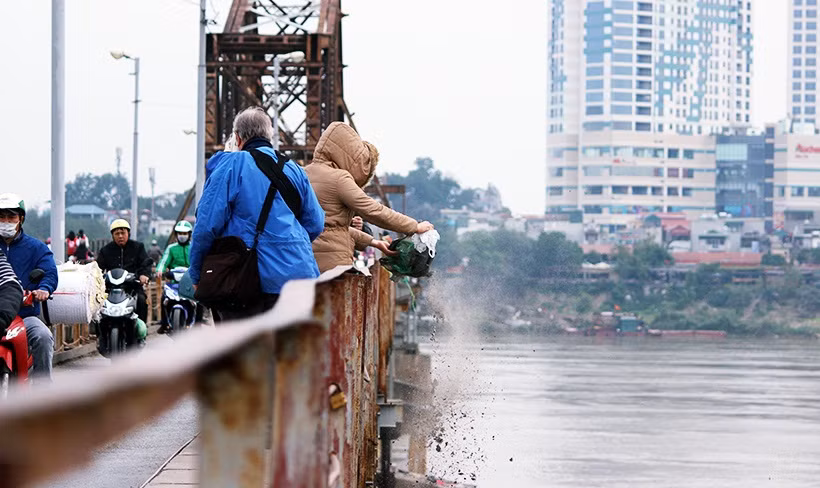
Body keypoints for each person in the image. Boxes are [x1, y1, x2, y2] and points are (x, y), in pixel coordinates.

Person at [189, 107, 325, 320]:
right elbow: (316, 223)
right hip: (299, 277)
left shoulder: (231, 166)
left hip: (245, 280)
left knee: (243, 349)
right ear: (269, 135)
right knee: (291, 352)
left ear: (237, 137)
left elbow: (206, 227)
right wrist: (286, 243)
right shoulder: (295, 169)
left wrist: (197, 273)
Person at [305, 122, 434, 273]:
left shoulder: (302, 173)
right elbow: (372, 210)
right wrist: (414, 226)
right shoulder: (339, 178)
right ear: (353, 157)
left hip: (305, 261)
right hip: (332, 266)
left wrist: (374, 242)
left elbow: (327, 228)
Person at [0, 193, 58, 380]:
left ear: (21, 219)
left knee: (43, 338)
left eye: (11, 217)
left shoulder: (37, 248)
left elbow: (49, 272)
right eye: (2, 217)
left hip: (24, 315)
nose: (6, 221)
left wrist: (44, 289)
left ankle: (42, 398)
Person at [96, 219, 152, 328]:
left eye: (123, 233)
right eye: (117, 233)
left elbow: (145, 263)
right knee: (98, 303)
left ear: (128, 234)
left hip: (132, 287)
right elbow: (98, 268)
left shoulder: (138, 247)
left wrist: (143, 275)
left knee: (141, 300)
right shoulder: (105, 250)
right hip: (111, 289)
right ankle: (100, 334)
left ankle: (140, 329)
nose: (120, 236)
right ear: (112, 235)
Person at [156, 221, 198, 332]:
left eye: (185, 234)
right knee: (164, 298)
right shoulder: (171, 248)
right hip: (173, 282)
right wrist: (160, 270)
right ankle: (164, 323)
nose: (182, 236)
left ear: (189, 235)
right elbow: (163, 261)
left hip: (191, 282)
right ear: (176, 234)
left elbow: (199, 262)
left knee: (200, 298)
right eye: (180, 233)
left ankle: (199, 322)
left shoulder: (194, 248)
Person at [0, 249, 23, 336]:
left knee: (42, 336)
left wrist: (2, 317)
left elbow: (10, 283)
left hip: (25, 314)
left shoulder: (36, 247)